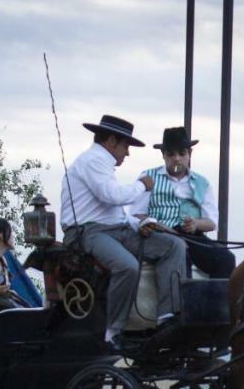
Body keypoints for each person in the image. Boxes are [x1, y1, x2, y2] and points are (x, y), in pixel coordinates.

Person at [60, 114, 186, 349]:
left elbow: (113, 211)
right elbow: (112, 196)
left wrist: (140, 223)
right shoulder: (93, 161)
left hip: (114, 229)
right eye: (126, 145)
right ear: (111, 141)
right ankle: (113, 331)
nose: (127, 152)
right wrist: (142, 185)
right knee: (127, 266)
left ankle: (167, 317)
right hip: (87, 232)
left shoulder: (102, 164)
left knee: (174, 245)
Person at [134, 126, 235, 278]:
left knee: (226, 258)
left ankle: (216, 301)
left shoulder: (202, 183)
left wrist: (195, 224)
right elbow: (136, 213)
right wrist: (154, 223)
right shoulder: (148, 177)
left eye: (182, 153)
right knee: (180, 256)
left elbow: (211, 222)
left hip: (192, 236)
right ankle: (183, 300)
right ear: (163, 155)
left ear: (190, 154)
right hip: (160, 234)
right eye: (171, 154)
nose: (177, 158)